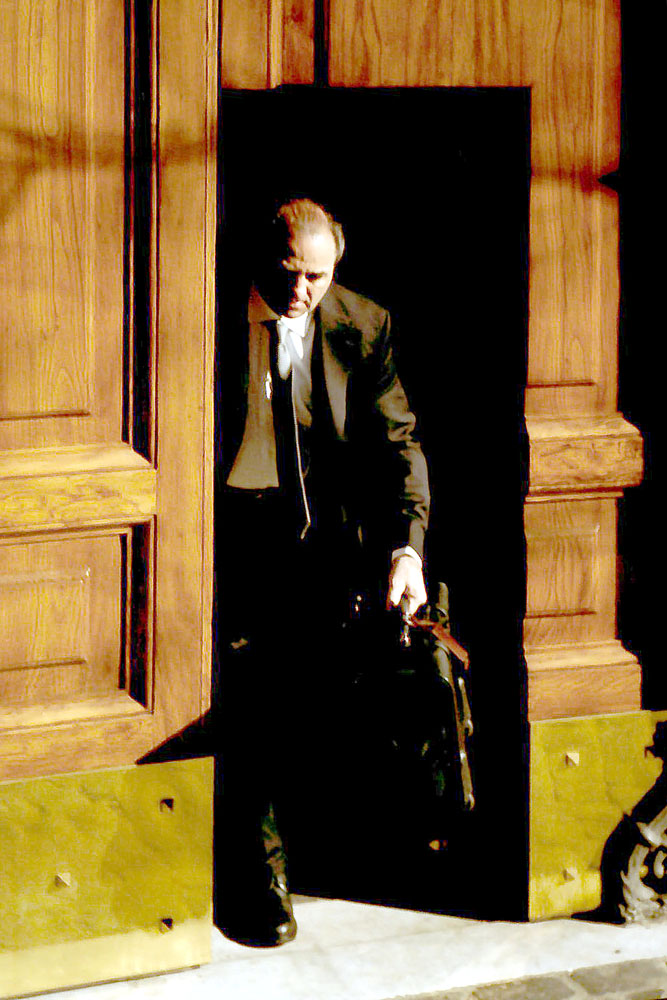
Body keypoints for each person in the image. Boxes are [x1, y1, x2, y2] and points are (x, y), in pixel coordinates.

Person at [215, 197, 430, 947]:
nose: (301, 291)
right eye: (288, 273)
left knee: (301, 695)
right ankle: (258, 874)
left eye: (317, 276)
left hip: (318, 536)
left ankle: (291, 848)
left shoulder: (361, 323)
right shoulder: (205, 310)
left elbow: (398, 443)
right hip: (222, 530)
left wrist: (406, 548)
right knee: (244, 695)